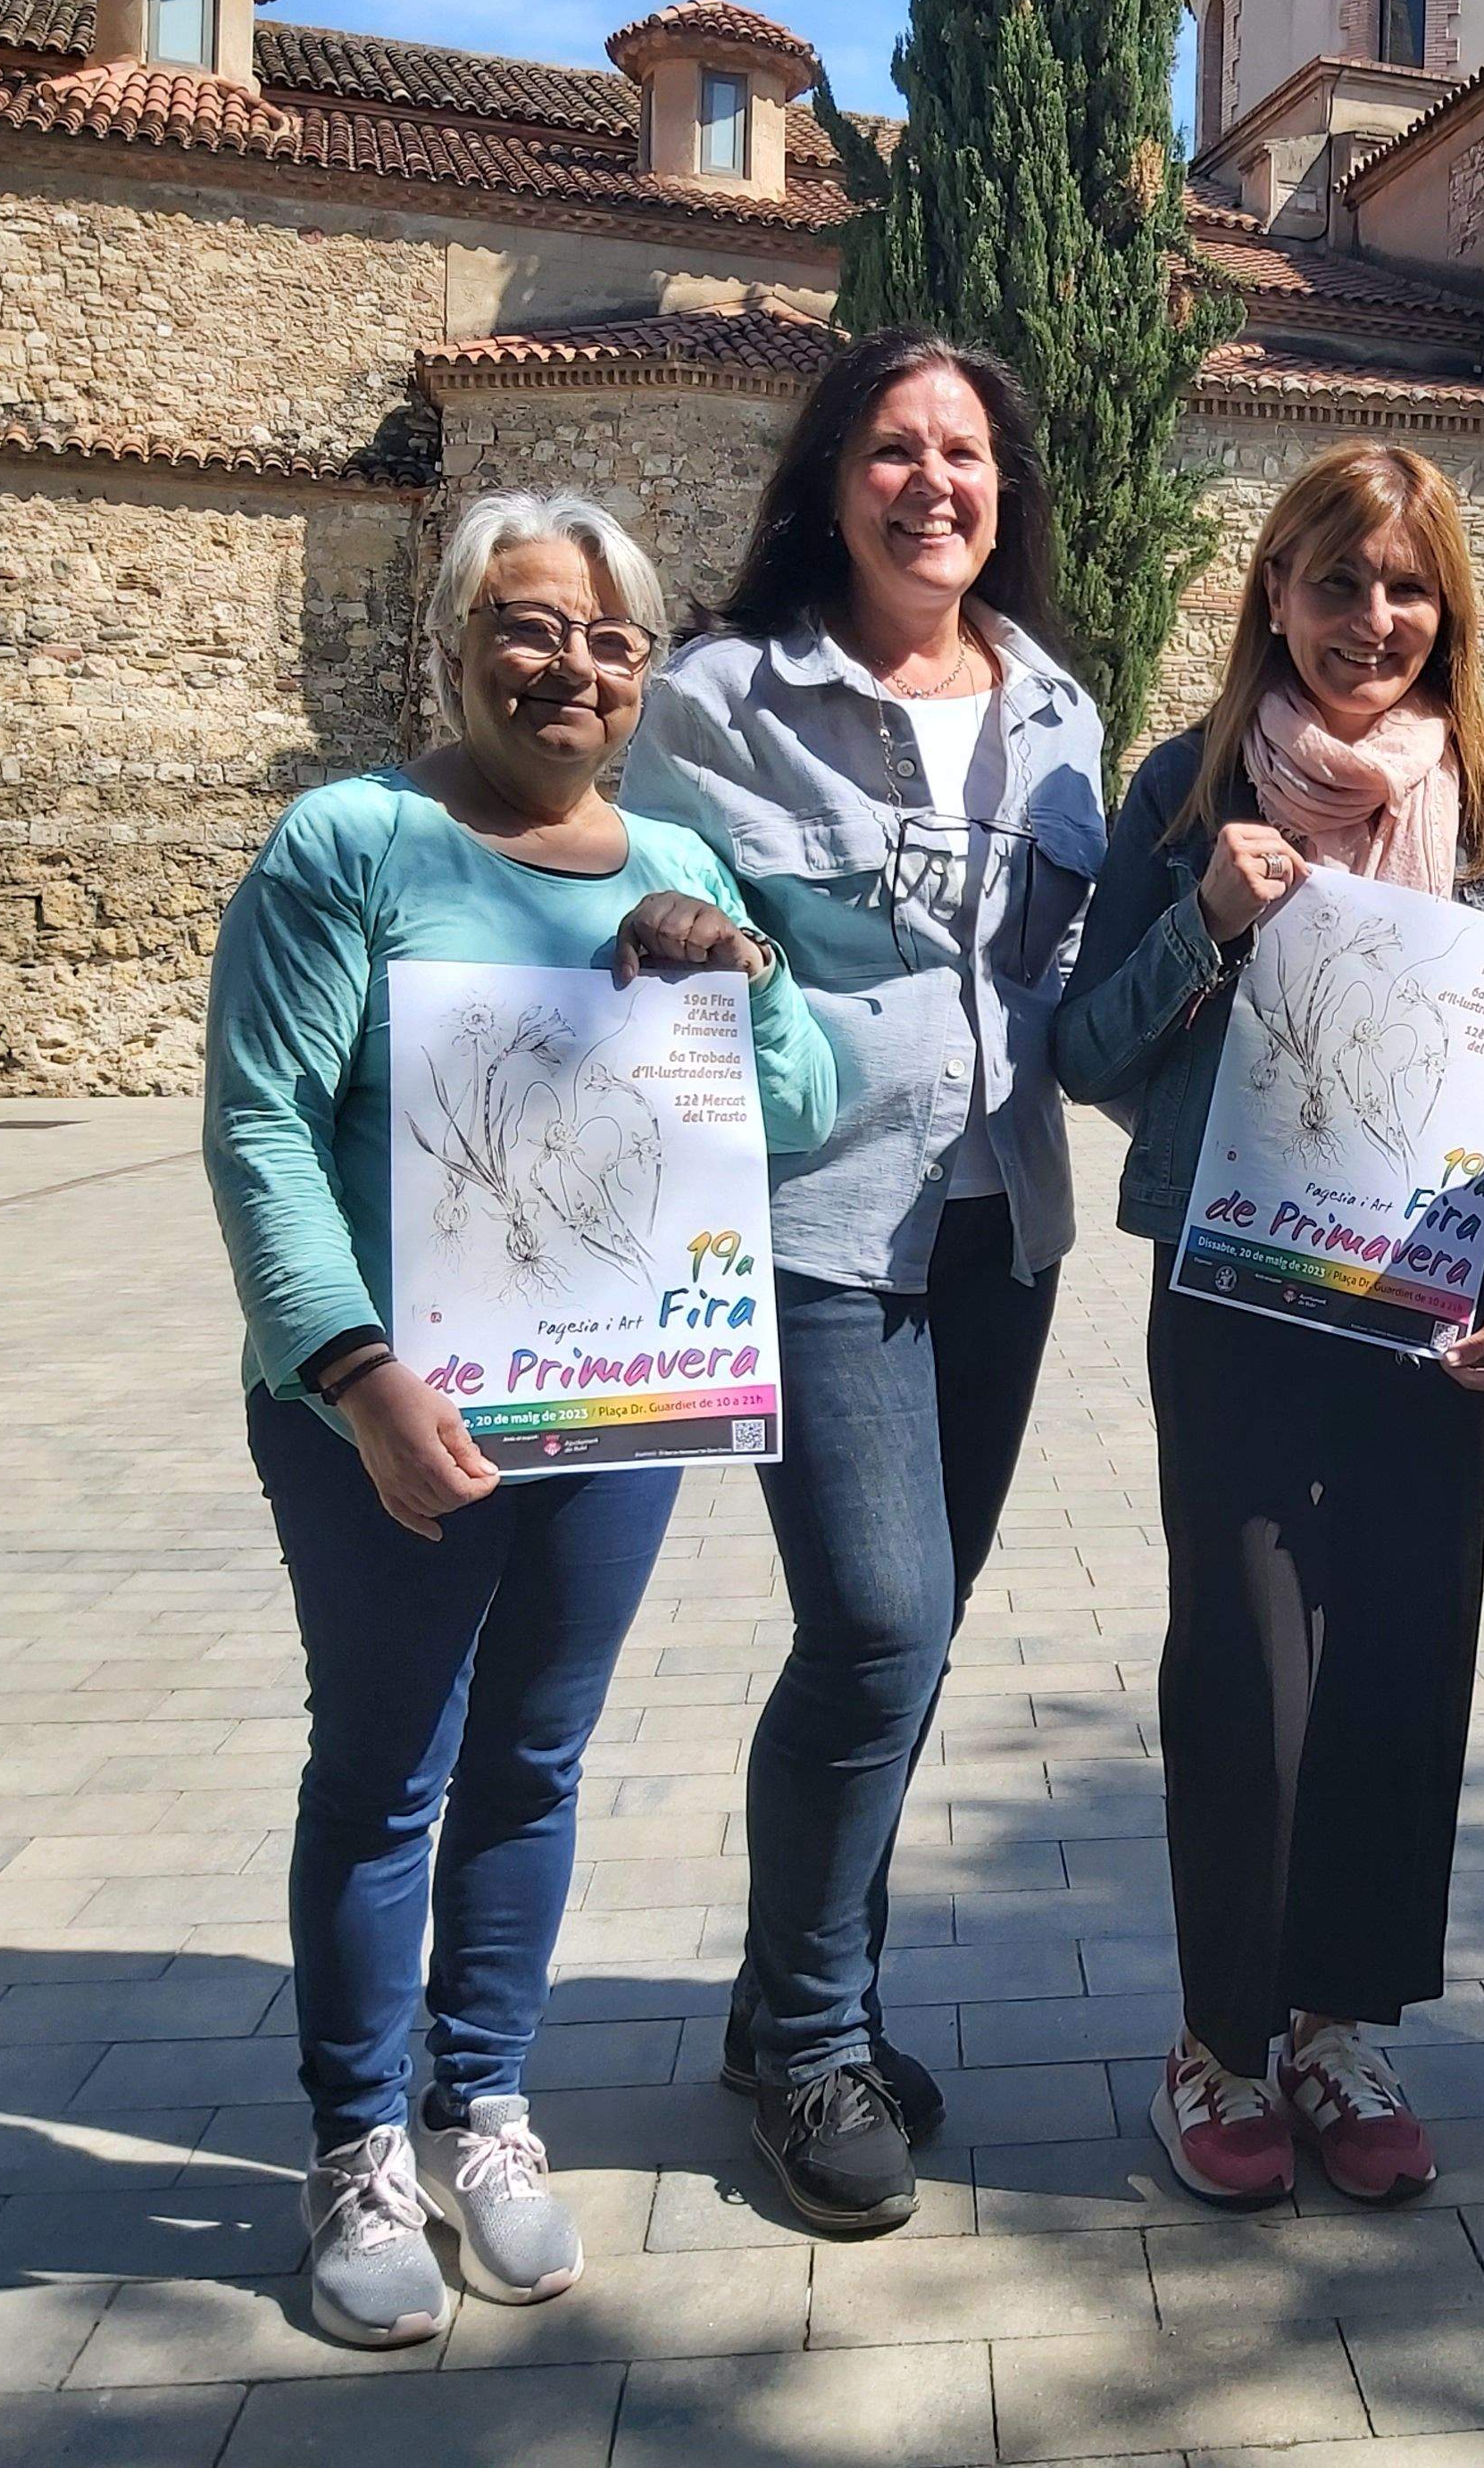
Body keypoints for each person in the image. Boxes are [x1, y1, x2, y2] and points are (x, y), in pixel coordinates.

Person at [202, 491, 836, 2347]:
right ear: (457, 645)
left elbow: (786, 1112)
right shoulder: (357, 845)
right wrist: (352, 1371)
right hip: (382, 1419)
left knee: (535, 1766)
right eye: (530, 626)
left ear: (643, 672)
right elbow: (260, 1127)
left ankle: (483, 2105)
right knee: (390, 1765)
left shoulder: (686, 856)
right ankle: (353, 2145)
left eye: (608, 638)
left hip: (610, 1402)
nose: (571, 664)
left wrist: (749, 972)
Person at [616, 327, 1107, 2237]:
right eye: (894, 450)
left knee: (910, 1641)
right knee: (882, 1625)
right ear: (831, 481)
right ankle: (805, 2035)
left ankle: (806, 2002)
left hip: (1004, 1226)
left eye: (966, 454)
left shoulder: (1060, 708)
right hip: (809, 1223)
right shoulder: (731, 698)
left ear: (1008, 493)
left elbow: (1081, 983)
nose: (933, 484)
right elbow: (622, 904)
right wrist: (653, 937)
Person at [1055, 440, 1484, 2208]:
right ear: (1273, 593)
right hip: (1247, 1300)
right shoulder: (1182, 796)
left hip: (1431, 1327)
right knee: (1251, 1672)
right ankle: (1216, 2043)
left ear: (1449, 613)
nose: (1370, 619)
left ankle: (1339, 2030)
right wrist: (1205, 919)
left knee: (1400, 1665)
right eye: (1336, 581)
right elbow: (1088, 1052)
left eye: (1404, 586)